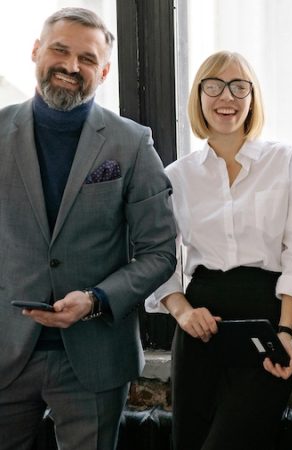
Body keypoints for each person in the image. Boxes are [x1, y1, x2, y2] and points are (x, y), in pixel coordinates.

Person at [0, 7, 177, 450]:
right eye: (60, 50)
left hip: (94, 358)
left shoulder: (132, 143)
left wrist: (97, 300)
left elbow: (159, 253)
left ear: (105, 70)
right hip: (4, 352)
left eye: (87, 58)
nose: (71, 67)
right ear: (37, 50)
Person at [144, 51, 292, 449]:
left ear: (252, 97)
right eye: (215, 85)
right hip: (201, 326)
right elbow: (159, 257)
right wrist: (183, 312)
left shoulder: (285, 161)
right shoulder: (176, 175)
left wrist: (286, 331)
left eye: (240, 86)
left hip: (266, 321)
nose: (228, 96)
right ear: (199, 96)